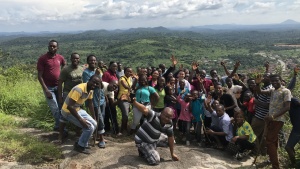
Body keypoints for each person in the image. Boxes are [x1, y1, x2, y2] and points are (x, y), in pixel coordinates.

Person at [255, 74, 291, 169]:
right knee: (273, 141)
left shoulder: (286, 91)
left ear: (280, 80)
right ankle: (273, 160)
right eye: (272, 81)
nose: (274, 82)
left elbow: (287, 107)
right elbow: (260, 91)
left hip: (278, 120)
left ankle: (275, 166)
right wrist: (258, 84)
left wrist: (273, 116)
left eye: (276, 80)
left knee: (269, 141)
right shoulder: (272, 91)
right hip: (270, 119)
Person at [132, 97, 179, 165]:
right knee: (155, 160)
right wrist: (134, 102)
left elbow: (171, 137)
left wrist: (172, 154)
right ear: (161, 113)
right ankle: (142, 150)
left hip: (154, 138)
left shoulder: (169, 123)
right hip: (142, 140)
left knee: (172, 141)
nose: (167, 119)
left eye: (169, 117)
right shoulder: (154, 116)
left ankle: (150, 149)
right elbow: (145, 109)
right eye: (165, 116)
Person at [61, 75, 100, 154]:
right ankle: (80, 146)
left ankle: (81, 142)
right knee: (89, 127)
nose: (94, 84)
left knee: (94, 123)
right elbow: (70, 106)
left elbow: (90, 104)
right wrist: (80, 119)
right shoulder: (79, 89)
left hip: (77, 109)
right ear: (89, 80)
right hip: (68, 111)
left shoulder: (91, 90)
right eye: (93, 82)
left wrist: (94, 117)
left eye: (97, 83)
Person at [37, 40, 66, 131]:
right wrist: (46, 90)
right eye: (50, 46)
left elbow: (64, 66)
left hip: (59, 87)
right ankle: (62, 129)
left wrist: (62, 77)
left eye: (54, 46)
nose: (52, 47)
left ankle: (58, 126)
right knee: (55, 108)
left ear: (57, 48)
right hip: (49, 88)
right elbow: (39, 76)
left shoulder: (60, 58)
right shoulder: (43, 59)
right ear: (48, 46)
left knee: (61, 107)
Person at [57, 53, 83, 141]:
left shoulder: (81, 69)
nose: (75, 60)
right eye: (74, 58)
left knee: (78, 113)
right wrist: (60, 97)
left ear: (79, 59)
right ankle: (60, 136)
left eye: (77, 58)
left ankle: (78, 133)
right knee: (64, 114)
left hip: (78, 95)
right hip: (68, 94)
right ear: (71, 59)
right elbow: (60, 82)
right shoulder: (66, 70)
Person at [118, 67, 133, 134]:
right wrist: (130, 88)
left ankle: (124, 128)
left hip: (127, 98)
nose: (129, 73)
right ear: (125, 72)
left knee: (125, 114)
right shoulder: (122, 78)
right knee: (125, 115)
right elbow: (125, 86)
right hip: (122, 98)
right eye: (128, 71)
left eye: (130, 72)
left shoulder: (130, 78)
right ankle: (122, 130)